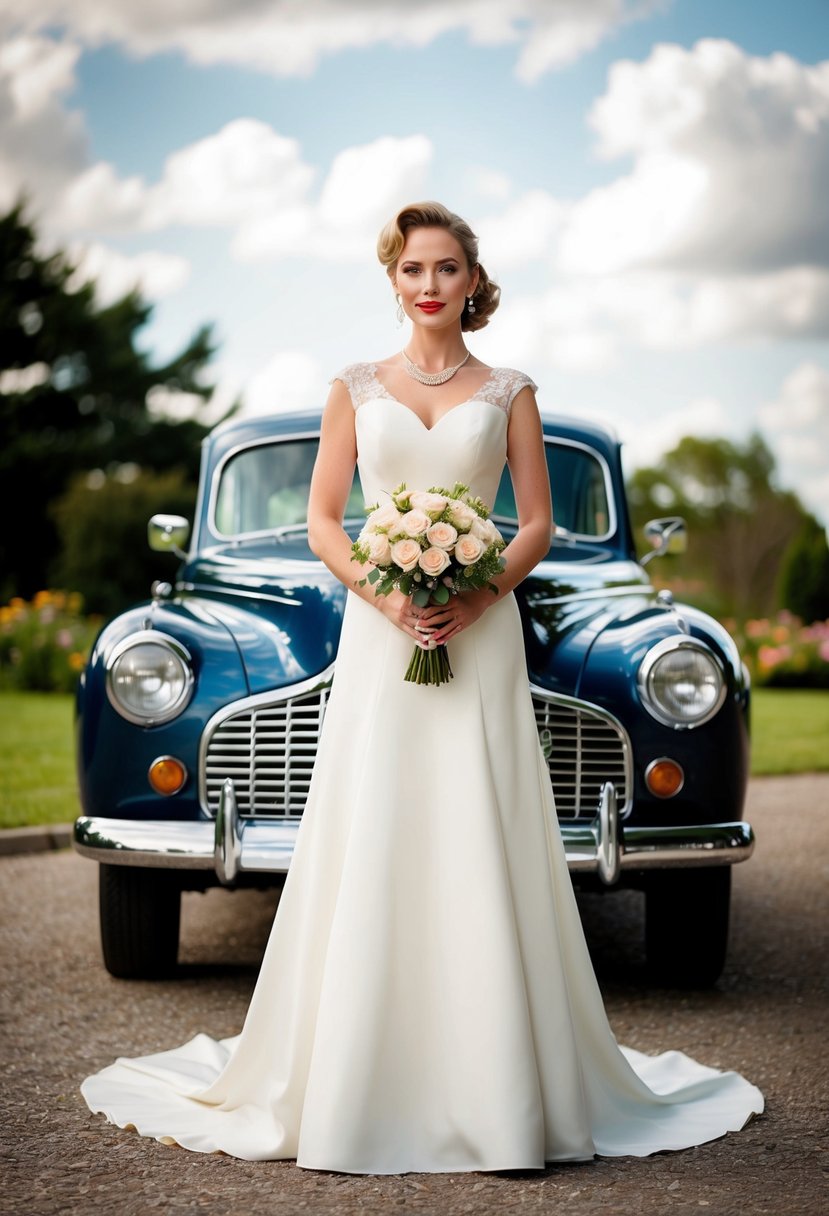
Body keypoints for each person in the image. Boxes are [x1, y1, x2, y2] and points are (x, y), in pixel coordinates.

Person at [80, 201, 763, 1173]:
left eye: (445, 268)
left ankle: (502, 1085)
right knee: (378, 818)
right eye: (411, 269)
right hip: (377, 628)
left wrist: (477, 591)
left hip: (481, 633)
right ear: (393, 279)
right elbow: (325, 519)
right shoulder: (354, 387)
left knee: (480, 819)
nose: (429, 284)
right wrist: (387, 590)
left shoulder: (512, 389)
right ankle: (354, 1072)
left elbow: (532, 523)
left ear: (471, 280)